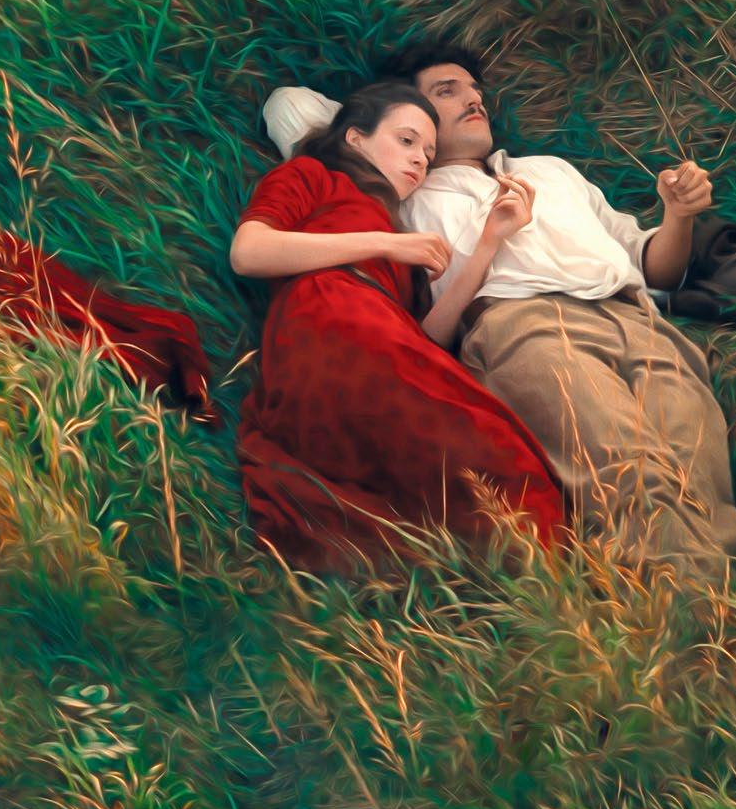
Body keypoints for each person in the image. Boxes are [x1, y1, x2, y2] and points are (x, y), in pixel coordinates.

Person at [262, 44, 736, 579]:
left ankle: (727, 618)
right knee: (628, 471)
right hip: (525, 327)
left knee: (699, 473)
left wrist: (677, 216)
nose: (473, 100)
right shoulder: (399, 193)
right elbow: (292, 108)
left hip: (635, 315)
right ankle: (687, 613)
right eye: (447, 92)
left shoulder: (551, 171)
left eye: (475, 91)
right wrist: (380, 123)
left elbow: (653, 265)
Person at [231, 81, 566, 571]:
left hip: (385, 337)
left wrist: (490, 242)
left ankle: (538, 581)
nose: (419, 161)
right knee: (482, 461)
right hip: (327, 315)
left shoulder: (399, 231)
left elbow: (427, 338)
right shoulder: (313, 175)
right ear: (355, 138)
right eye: (406, 141)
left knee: (505, 457)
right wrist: (383, 246)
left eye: (428, 154)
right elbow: (249, 252)